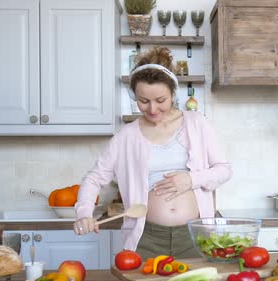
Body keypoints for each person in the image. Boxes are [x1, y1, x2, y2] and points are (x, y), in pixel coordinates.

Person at [73, 47, 232, 259]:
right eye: (143, 101)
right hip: (146, 238)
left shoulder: (197, 123)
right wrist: (83, 213)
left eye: (160, 100)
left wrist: (190, 180)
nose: (152, 109)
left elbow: (224, 170)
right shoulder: (126, 137)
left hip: (195, 236)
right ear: (134, 96)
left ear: (173, 93)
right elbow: (93, 179)